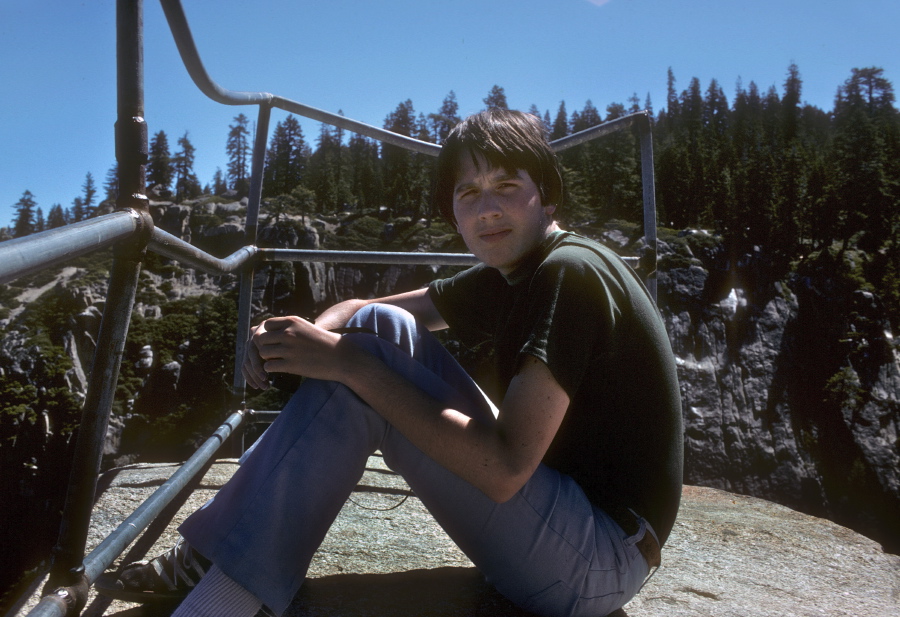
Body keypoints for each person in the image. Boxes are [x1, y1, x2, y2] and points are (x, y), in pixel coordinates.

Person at [102, 108, 683, 617]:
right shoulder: (515, 273)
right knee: (377, 331)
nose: (487, 210)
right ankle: (223, 557)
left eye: (507, 185)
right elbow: (365, 309)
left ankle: (222, 583)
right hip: (570, 525)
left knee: (360, 366)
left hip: (596, 565)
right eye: (468, 192)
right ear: (452, 210)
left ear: (547, 195)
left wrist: (349, 366)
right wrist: (304, 336)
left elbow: (505, 471)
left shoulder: (569, 272)